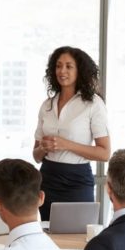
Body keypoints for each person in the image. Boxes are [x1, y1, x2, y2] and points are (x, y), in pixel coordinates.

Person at [33, 46, 111, 221]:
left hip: (78, 181)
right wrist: (44, 147)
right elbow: (36, 156)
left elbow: (105, 153)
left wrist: (65, 144)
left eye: (69, 66)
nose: (62, 71)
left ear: (79, 70)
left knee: (78, 237)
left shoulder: (93, 104)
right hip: (47, 179)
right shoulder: (47, 105)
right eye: (59, 65)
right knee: (49, 233)